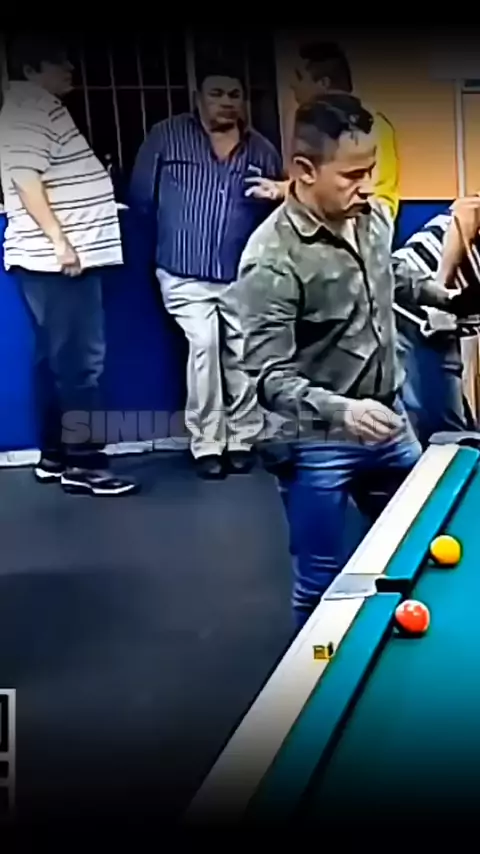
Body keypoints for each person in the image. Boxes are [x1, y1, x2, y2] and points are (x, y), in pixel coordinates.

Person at [235, 93, 466, 630]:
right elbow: (268, 378)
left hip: (389, 424)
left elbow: (393, 275)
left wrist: (446, 297)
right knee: (320, 585)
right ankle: (314, 681)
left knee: (419, 550)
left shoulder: (371, 217)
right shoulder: (270, 260)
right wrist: (344, 412)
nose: (367, 186)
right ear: (304, 170)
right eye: (353, 175)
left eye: (371, 171)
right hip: (317, 441)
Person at [129, 65, 283, 479]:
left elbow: (275, 212)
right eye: (217, 93)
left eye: (234, 94)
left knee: (242, 353)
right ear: (198, 98)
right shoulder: (166, 137)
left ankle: (243, 438)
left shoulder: (261, 150)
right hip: (183, 271)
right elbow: (141, 198)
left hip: (242, 275)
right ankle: (208, 443)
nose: (226, 102)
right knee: (204, 345)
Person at [0, 35, 137, 496]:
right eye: (60, 62)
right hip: (57, 263)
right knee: (80, 366)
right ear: (33, 68)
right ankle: (86, 464)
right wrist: (62, 242)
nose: (71, 69)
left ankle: (56, 456)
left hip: (53, 261)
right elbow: (25, 180)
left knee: (56, 361)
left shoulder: (34, 107)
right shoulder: (30, 108)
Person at [245, 41, 399, 220]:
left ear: (323, 83)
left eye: (299, 77)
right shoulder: (316, 125)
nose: (292, 85)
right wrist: (282, 189)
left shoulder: (369, 126)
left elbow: (377, 200)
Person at [392, 197, 480, 446]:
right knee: (443, 430)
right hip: (410, 303)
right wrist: (440, 286)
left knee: (452, 428)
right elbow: (465, 212)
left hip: (443, 325)